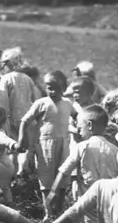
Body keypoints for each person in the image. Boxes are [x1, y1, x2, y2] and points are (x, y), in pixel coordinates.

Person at [18, 71, 75, 214]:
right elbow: (25, 120)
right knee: (46, 177)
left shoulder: (67, 103)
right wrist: (22, 138)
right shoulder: (41, 103)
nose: (52, 91)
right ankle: (48, 212)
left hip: (63, 143)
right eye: (49, 87)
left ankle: (60, 210)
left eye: (56, 88)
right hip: (45, 145)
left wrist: (78, 129)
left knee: (63, 177)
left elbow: (77, 116)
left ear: (64, 87)